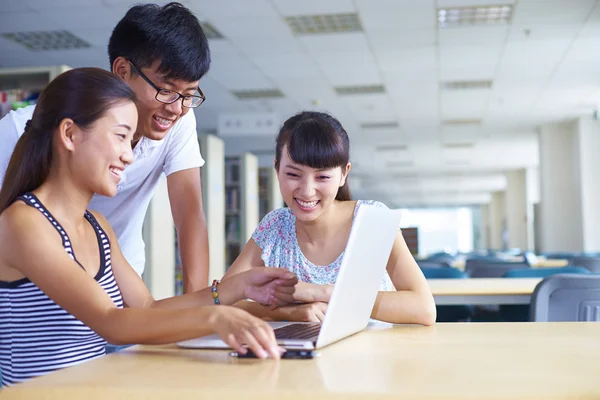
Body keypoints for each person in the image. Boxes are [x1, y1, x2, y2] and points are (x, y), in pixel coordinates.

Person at [0, 68, 298, 387]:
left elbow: (147, 308)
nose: (129, 157)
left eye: (131, 141)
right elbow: (111, 322)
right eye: (120, 136)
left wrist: (236, 289)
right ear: (70, 135)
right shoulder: (23, 223)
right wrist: (214, 317)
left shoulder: (98, 227)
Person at [0, 2, 211, 293]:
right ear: (123, 70)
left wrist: (202, 308)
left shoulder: (101, 228)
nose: (177, 109)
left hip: (117, 282)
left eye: (189, 95)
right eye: (166, 90)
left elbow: (189, 212)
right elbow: (113, 322)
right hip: (37, 288)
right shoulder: (19, 132)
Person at [224, 111, 436, 325]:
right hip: (296, 356)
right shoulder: (275, 227)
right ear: (277, 168)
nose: (307, 191)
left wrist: (322, 293)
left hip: (369, 353)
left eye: (322, 177)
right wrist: (290, 313)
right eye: (293, 174)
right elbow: (224, 301)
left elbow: (423, 309)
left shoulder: (372, 220)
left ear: (344, 173)